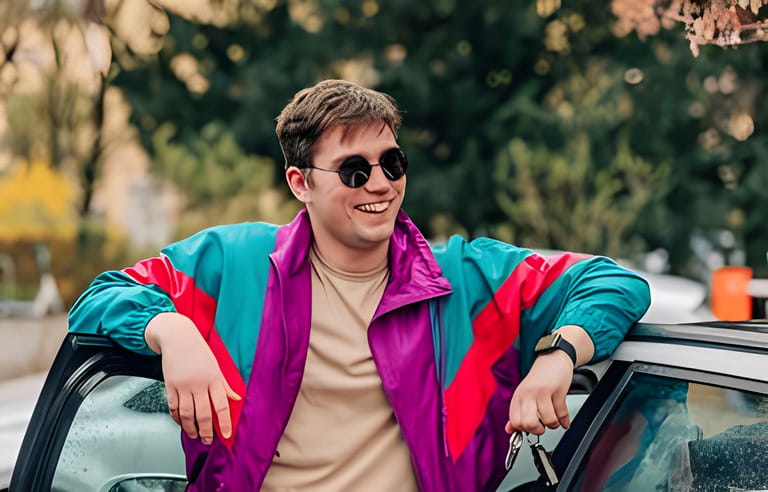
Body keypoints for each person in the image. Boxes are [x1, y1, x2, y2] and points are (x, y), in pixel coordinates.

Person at [68, 79, 651, 491]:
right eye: (354, 170)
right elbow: (99, 298)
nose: (380, 185)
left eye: (392, 163)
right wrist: (173, 332)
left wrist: (558, 355)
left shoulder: (466, 278)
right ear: (300, 183)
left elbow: (611, 282)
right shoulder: (232, 264)